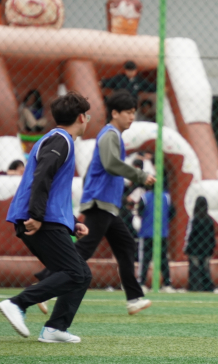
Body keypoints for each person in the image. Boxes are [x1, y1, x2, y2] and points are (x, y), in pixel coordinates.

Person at [36, 89, 155, 314]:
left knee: (126, 245)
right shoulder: (110, 134)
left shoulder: (111, 135)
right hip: (101, 202)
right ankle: (44, 286)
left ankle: (134, 298)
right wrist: (139, 176)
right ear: (115, 113)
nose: (132, 117)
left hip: (106, 203)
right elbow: (111, 164)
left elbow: (97, 168)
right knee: (84, 249)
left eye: (134, 112)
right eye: (128, 112)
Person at [0, 91, 92, 343]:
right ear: (81, 117)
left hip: (45, 218)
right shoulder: (61, 140)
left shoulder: (56, 139)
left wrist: (73, 223)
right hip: (38, 220)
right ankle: (17, 304)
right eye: (88, 115)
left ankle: (55, 329)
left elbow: (54, 189)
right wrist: (37, 215)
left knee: (81, 273)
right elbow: (42, 176)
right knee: (76, 273)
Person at [137, 189, 175, 293]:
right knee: (163, 259)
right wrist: (164, 221)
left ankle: (141, 283)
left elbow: (139, 212)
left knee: (145, 259)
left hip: (147, 232)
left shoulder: (145, 197)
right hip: (161, 232)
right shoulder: (166, 197)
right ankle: (167, 284)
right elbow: (172, 212)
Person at [184, 196, 216, 291]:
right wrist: (211, 248)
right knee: (205, 269)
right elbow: (212, 236)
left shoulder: (194, 219)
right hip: (206, 249)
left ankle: (195, 287)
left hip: (194, 249)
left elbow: (189, 235)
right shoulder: (210, 220)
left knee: (194, 269)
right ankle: (207, 287)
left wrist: (186, 248)